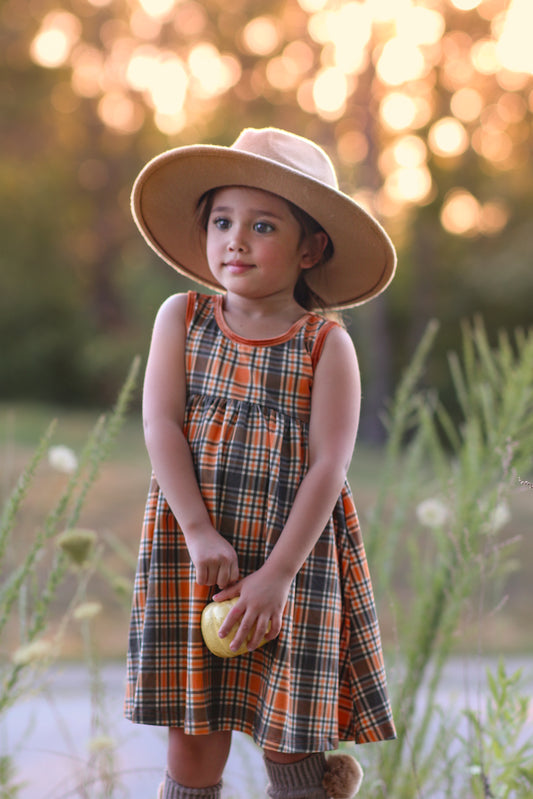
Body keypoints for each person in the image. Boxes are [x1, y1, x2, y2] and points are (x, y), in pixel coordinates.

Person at [124, 127, 397, 799]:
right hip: (197, 556)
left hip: (290, 565)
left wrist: (277, 575)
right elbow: (160, 423)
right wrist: (195, 529)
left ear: (310, 248)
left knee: (290, 737)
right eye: (221, 221)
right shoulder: (181, 317)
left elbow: (328, 466)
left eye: (262, 225)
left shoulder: (324, 344)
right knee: (192, 729)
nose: (234, 240)